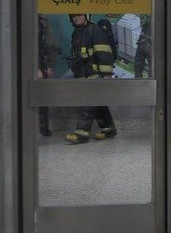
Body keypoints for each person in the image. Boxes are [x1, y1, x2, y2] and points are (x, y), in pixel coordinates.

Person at [64, 13, 118, 144]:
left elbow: (104, 52)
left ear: (86, 16)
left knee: (87, 103)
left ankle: (81, 133)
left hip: (93, 74)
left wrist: (106, 73)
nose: (76, 18)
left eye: (79, 15)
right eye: (73, 16)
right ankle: (108, 129)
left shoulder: (95, 30)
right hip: (83, 73)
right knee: (97, 103)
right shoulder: (77, 32)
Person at [37, 14, 57, 136]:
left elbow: (50, 45)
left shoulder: (42, 22)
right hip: (35, 65)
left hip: (40, 65)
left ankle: (43, 127)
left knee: (41, 98)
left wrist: (48, 66)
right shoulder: (42, 22)